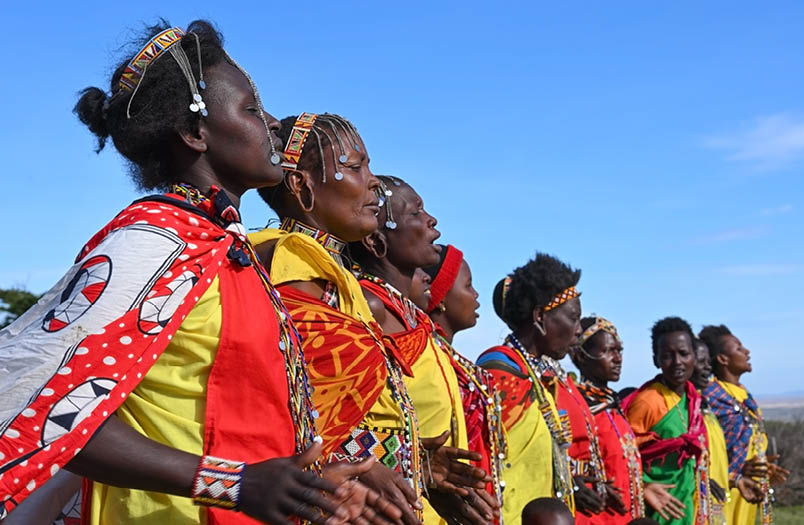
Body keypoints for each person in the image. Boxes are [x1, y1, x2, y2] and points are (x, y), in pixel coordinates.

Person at [0, 22, 385, 524]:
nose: (271, 123)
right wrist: (233, 483)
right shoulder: (152, 242)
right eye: (251, 109)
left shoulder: (225, 249)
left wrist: (317, 488)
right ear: (194, 132)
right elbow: (34, 401)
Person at [353, 177, 495, 524]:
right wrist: (414, 463)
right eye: (416, 212)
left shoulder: (414, 320)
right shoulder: (368, 308)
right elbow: (328, 423)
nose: (432, 221)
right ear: (375, 241)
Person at [476, 254, 580, 524]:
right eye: (573, 318)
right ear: (540, 317)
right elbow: (483, 461)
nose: (578, 330)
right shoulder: (499, 374)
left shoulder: (536, 377)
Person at [420, 246, 507, 518]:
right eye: (468, 285)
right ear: (441, 295)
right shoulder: (420, 355)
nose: (476, 295)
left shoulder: (455, 363)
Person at [700, 324, 790, 524]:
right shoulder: (709, 395)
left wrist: (763, 466)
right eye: (739, 348)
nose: (747, 351)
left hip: (748, 491)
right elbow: (708, 447)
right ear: (723, 359)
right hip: (725, 490)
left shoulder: (744, 395)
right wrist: (737, 471)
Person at [623, 317, 707, 525]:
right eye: (668, 356)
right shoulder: (648, 401)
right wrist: (643, 486)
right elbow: (623, 454)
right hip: (658, 509)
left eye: (684, 354)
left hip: (689, 503)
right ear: (656, 360)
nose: (677, 362)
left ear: (695, 357)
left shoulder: (692, 398)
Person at [571, 316, 644, 524]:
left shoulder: (614, 406)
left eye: (619, 350)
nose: (617, 358)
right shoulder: (576, 406)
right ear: (581, 355)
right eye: (608, 351)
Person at [690, 338, 729, 525]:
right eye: (701, 362)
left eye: (708, 362)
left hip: (715, 504)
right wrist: (699, 479)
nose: (708, 368)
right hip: (692, 506)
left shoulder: (706, 406)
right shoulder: (681, 409)